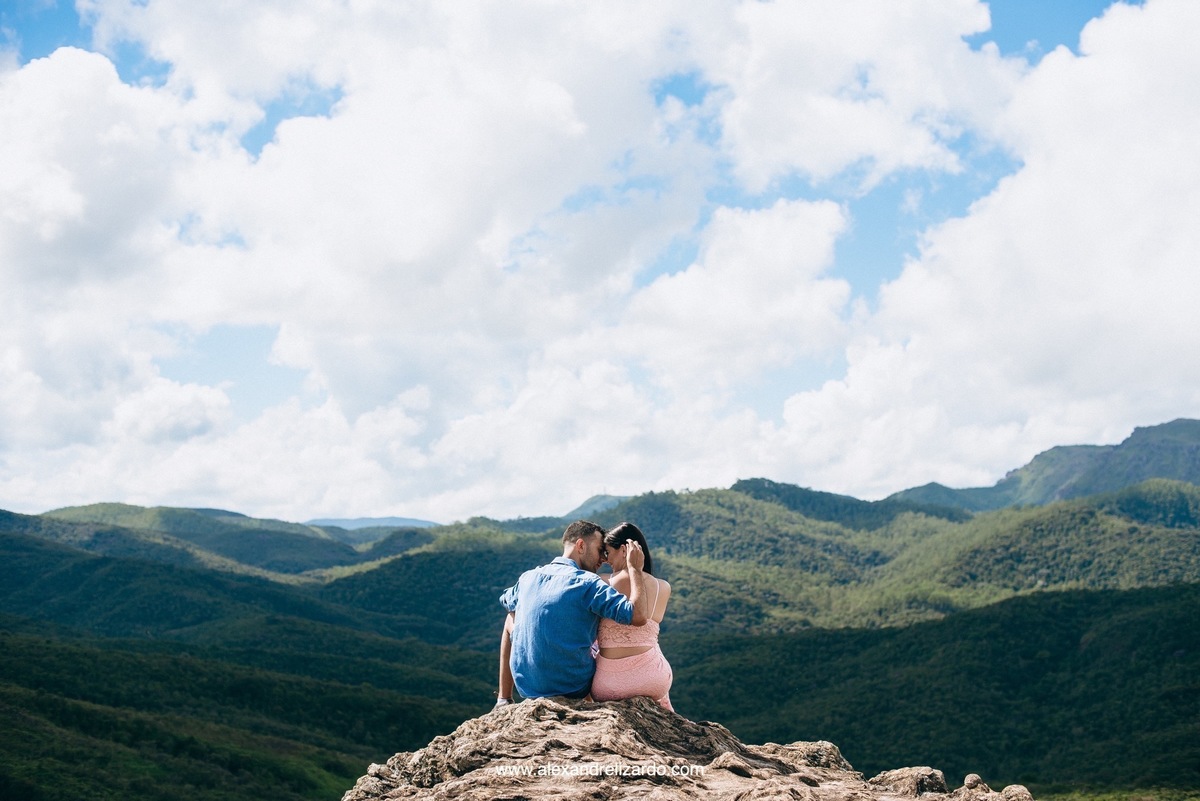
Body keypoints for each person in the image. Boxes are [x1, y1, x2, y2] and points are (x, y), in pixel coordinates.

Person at [495, 520, 648, 705]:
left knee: (511, 617)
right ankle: (591, 703)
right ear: (581, 545)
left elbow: (505, 600)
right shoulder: (589, 583)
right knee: (605, 636)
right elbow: (638, 616)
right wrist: (635, 570)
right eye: (600, 550)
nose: (603, 559)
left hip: (528, 687)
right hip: (574, 687)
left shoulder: (528, 577)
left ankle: (503, 699)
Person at [591, 522, 675, 711]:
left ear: (623, 550)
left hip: (612, 683)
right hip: (656, 678)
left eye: (607, 552)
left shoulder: (604, 582)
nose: (605, 559)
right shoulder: (664, 586)